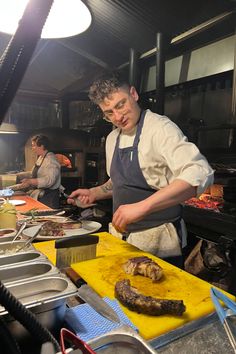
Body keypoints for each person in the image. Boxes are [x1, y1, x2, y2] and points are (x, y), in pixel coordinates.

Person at [67, 71, 214, 267]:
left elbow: (200, 172)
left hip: (160, 240)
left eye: (121, 104)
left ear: (134, 94)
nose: (118, 117)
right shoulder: (113, 138)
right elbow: (118, 181)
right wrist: (94, 192)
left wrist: (143, 207)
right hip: (124, 238)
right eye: (109, 113)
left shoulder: (160, 128)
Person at [16, 134, 61, 209]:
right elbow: (34, 173)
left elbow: (49, 181)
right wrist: (19, 175)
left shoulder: (51, 161)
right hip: (41, 195)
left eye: (34, 145)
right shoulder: (41, 157)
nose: (32, 148)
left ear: (42, 146)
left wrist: (31, 181)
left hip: (49, 198)